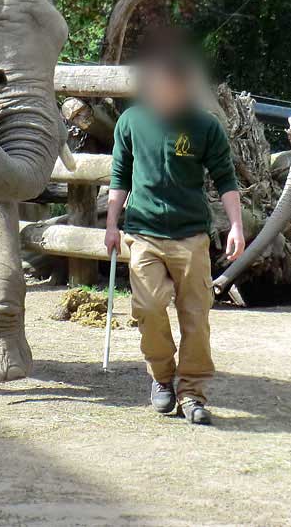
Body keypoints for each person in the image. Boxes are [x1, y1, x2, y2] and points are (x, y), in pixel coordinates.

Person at [105, 45, 244, 425]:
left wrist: (236, 226)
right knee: (148, 308)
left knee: (196, 317)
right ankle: (162, 377)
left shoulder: (205, 127)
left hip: (191, 237)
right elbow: (119, 178)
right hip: (143, 234)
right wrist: (112, 225)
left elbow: (226, 181)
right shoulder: (131, 122)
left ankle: (193, 394)